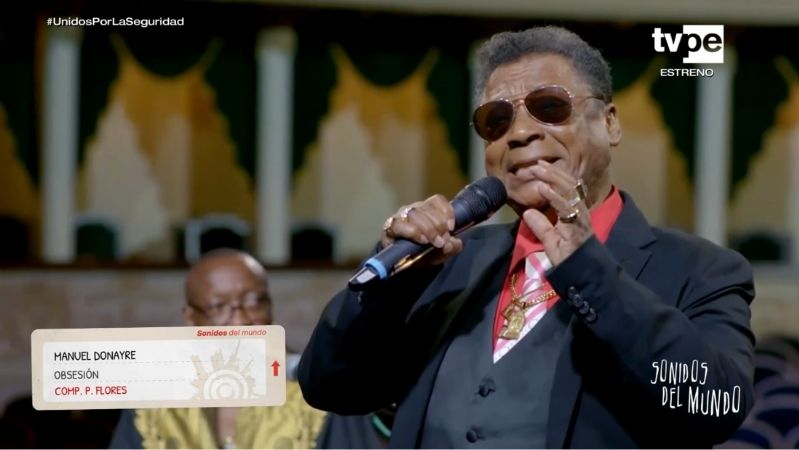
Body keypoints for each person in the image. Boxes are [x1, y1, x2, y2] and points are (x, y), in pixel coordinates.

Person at [297, 25, 756, 448]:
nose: (519, 133)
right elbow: (329, 385)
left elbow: (715, 406)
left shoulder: (701, 270)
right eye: (496, 122)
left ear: (610, 124)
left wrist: (591, 270)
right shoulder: (450, 261)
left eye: (550, 107)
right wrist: (395, 282)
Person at [109, 249, 326, 449]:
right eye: (219, 307)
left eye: (255, 302)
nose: (240, 321)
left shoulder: (316, 391)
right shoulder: (153, 401)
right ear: (191, 318)